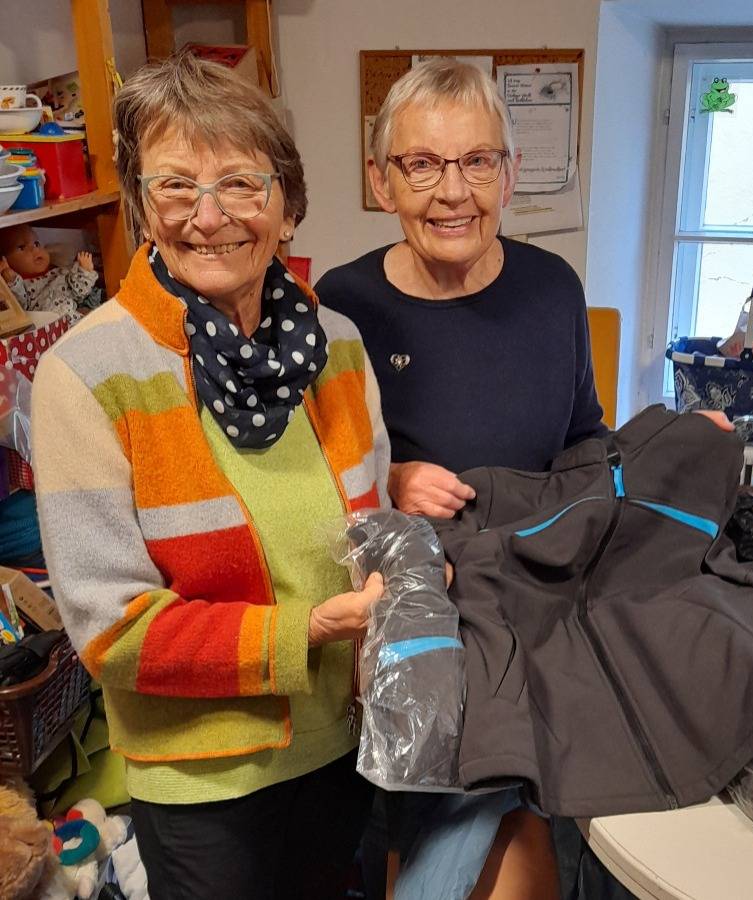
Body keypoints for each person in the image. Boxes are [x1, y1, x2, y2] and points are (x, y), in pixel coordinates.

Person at [31, 52, 390, 900]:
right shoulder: (88, 373)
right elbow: (112, 630)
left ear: (287, 205)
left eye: (239, 183)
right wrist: (307, 630)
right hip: (202, 784)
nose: (208, 216)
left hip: (344, 746)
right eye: (175, 187)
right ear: (140, 206)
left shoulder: (336, 344)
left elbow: (369, 529)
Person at [316, 58, 606, 900]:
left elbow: (584, 439)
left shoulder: (553, 289)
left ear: (508, 175)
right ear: (382, 181)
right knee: (458, 814)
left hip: (540, 605)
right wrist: (392, 475)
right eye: (422, 164)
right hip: (420, 623)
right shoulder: (343, 304)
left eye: (478, 161)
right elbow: (314, 478)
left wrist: (673, 450)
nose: (454, 192)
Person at [0, 224, 100, 319]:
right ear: (5, 260)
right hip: (46, 325)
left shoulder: (59, 272)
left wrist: (85, 271)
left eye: (36, 244)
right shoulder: (21, 285)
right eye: (22, 247)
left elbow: (79, 293)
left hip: (72, 319)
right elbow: (20, 307)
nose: (35, 250)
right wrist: (12, 280)